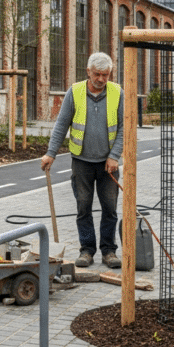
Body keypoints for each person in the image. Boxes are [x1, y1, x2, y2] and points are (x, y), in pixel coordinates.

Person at [41, 52, 125, 269]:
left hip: (109, 164)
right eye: (97, 74)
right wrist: (51, 153)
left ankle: (109, 251)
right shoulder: (75, 92)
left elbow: (125, 127)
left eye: (105, 75)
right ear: (88, 72)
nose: (101, 79)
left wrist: (114, 156)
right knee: (83, 207)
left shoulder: (117, 93)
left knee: (110, 208)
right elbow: (62, 124)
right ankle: (87, 250)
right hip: (81, 161)